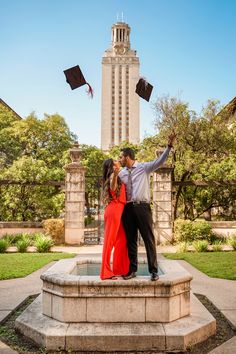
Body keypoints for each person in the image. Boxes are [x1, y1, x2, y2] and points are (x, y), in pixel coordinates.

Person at [118, 133, 176, 281]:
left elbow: (160, 161)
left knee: (148, 239)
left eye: (121, 157)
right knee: (131, 240)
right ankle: (132, 270)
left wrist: (168, 147)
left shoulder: (144, 168)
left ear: (128, 157)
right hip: (128, 209)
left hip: (143, 208)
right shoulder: (121, 174)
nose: (120, 160)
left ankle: (154, 271)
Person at [100, 158, 130, 280]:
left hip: (117, 211)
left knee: (121, 241)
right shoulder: (114, 175)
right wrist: (116, 173)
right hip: (114, 211)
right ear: (113, 166)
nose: (118, 161)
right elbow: (113, 188)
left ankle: (119, 269)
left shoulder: (116, 175)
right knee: (109, 242)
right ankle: (106, 273)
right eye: (115, 161)